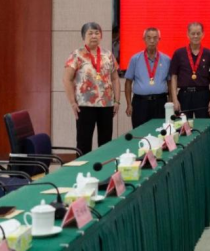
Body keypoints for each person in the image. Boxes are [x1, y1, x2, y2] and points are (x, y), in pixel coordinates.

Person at [63, 22, 120, 155]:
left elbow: (115, 79)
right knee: (84, 142)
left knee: (106, 142)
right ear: (83, 36)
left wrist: (117, 101)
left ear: (101, 36)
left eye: (97, 33)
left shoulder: (108, 54)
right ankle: (82, 167)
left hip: (106, 105)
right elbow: (67, 79)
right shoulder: (77, 55)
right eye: (90, 33)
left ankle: (104, 166)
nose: (94, 36)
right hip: (84, 105)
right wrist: (72, 102)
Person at [123, 28, 171, 130]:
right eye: (148, 38)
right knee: (140, 131)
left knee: (161, 132)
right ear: (144, 39)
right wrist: (129, 104)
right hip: (140, 103)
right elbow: (128, 82)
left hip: (160, 102)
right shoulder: (135, 59)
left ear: (159, 39)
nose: (152, 41)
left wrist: (171, 102)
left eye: (155, 38)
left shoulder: (167, 59)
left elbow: (170, 82)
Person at [169, 22, 210, 119]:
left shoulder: (209, 54)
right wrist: (175, 99)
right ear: (188, 34)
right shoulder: (179, 53)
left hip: (203, 95)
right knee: (183, 125)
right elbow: (174, 77)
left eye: (198, 33)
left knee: (204, 125)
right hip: (184, 95)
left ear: (203, 34)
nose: (195, 36)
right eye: (193, 33)